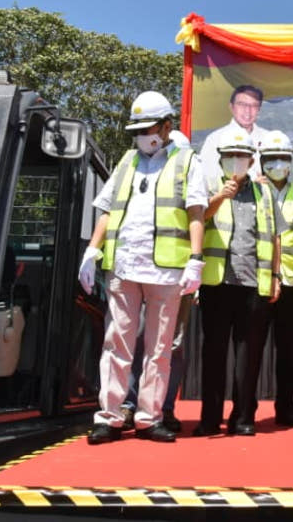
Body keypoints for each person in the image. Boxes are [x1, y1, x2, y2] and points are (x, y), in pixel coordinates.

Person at [78, 91, 206, 444]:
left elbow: (196, 213)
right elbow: (107, 208)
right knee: (116, 344)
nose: (140, 136)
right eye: (136, 130)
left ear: (166, 127)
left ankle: (150, 418)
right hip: (123, 266)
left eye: (147, 128)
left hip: (166, 270)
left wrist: (196, 258)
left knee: (159, 348)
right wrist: (92, 250)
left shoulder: (187, 162)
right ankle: (110, 417)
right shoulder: (127, 161)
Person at [193, 129, 281, 437]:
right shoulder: (206, 187)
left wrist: (276, 277)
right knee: (214, 352)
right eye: (230, 156)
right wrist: (220, 196)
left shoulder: (265, 193)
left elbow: (275, 236)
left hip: (253, 284)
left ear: (251, 160)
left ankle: (243, 417)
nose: (235, 161)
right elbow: (197, 220)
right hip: (216, 282)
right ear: (220, 160)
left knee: (249, 353)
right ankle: (209, 418)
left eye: (241, 157)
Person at [120, 128, 193, 434]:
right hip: (138, 273)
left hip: (175, 276)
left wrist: (194, 267)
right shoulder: (140, 177)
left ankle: (162, 407)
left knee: (169, 346)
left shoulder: (191, 178)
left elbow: (200, 222)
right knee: (134, 339)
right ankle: (128, 405)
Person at [259, 131, 293, 427]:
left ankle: (285, 408)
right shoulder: (253, 190)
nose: (277, 164)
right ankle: (245, 410)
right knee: (251, 349)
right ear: (261, 161)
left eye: (282, 159)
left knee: (287, 350)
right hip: (259, 281)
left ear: (290, 161)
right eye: (270, 159)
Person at [201, 85, 270, 186]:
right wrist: (250, 184)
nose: (248, 110)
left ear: (259, 109)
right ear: (231, 107)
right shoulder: (215, 139)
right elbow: (207, 177)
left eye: (254, 105)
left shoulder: (268, 138)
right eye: (242, 104)